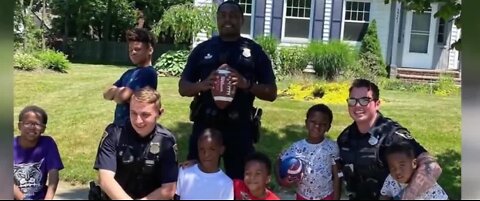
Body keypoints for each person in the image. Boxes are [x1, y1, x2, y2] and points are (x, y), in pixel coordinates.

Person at [178, 0, 277, 180]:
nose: (227, 20)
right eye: (223, 16)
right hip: (206, 124)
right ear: (217, 19)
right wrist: (203, 84)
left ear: (242, 20)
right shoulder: (203, 49)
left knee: (240, 181)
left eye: (233, 16)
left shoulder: (253, 51)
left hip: (239, 126)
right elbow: (183, 87)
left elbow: (271, 92)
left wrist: (247, 84)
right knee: (195, 177)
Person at [337, 78, 443, 200]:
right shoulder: (345, 137)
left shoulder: (392, 135)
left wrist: (407, 196)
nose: (357, 105)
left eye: (364, 100)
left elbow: (433, 167)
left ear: (377, 104)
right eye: (352, 100)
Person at [93, 87, 177, 200]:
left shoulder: (166, 141)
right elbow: (105, 179)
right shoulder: (114, 134)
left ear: (159, 113)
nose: (138, 120)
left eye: (145, 115)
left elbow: (169, 189)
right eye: (133, 113)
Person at [275, 104, 341, 200]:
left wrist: (336, 198)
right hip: (303, 196)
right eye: (313, 122)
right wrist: (280, 180)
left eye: (323, 124)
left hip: (326, 196)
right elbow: (278, 162)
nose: (317, 126)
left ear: (328, 127)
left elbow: (337, 175)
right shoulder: (297, 147)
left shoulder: (332, 147)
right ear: (306, 123)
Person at [103, 28, 158, 127]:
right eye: (130, 50)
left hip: (135, 128)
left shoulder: (148, 73)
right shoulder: (129, 72)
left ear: (150, 50)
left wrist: (116, 93)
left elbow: (122, 97)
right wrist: (120, 93)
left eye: (137, 49)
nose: (133, 52)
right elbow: (106, 93)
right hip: (119, 126)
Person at [14, 105, 64, 200]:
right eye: (28, 123)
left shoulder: (48, 143)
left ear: (43, 128)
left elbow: (53, 173)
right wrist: (23, 198)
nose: (32, 127)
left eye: (37, 124)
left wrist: (48, 198)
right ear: (19, 126)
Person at [175, 128, 234, 200]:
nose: (206, 154)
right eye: (202, 149)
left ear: (221, 150)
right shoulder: (185, 172)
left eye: (212, 149)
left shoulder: (227, 183)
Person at [379, 142, 448, 200]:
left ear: (414, 163)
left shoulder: (425, 185)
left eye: (402, 165)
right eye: (392, 168)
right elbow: (385, 195)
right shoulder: (391, 179)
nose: (397, 171)